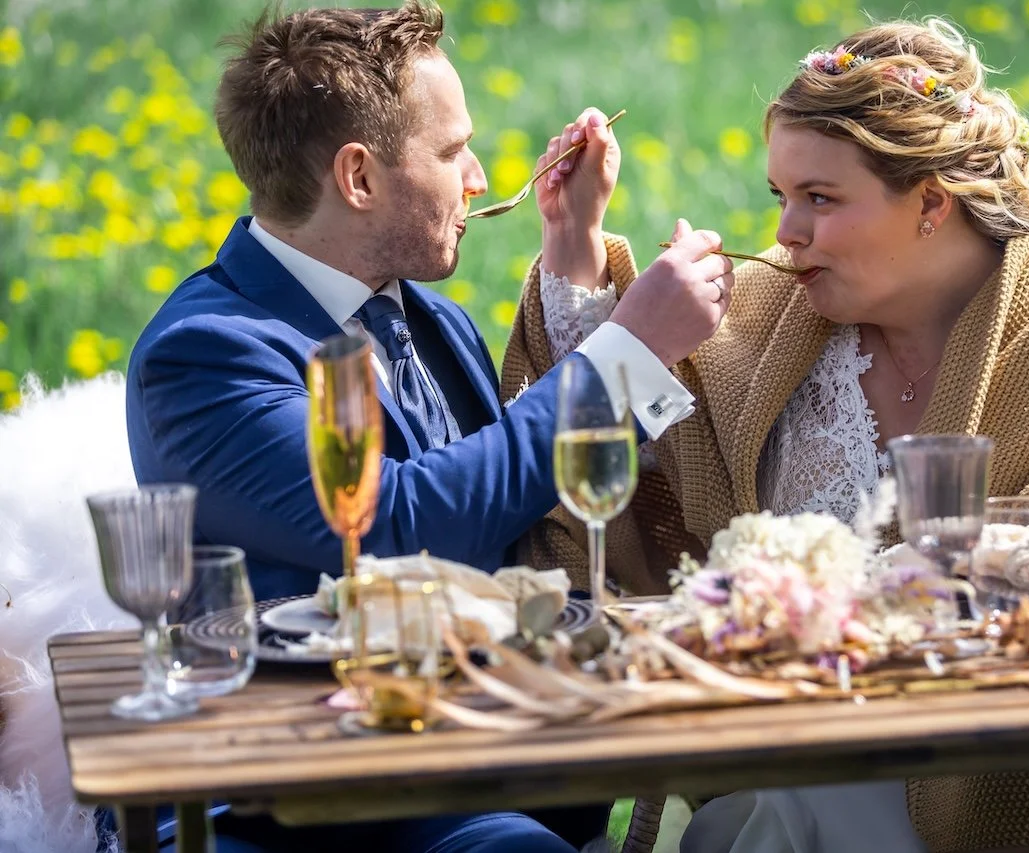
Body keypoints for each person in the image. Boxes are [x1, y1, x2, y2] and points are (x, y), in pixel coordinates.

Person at [501, 17, 1029, 853]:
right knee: (780, 810)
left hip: (1021, 757)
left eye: (821, 198)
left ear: (932, 205)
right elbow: (624, 485)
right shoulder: (769, 319)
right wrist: (573, 241)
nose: (788, 232)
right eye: (782, 196)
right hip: (805, 754)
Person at [122, 2, 734, 851]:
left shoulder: (434, 322)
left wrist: (576, 252)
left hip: (465, 761)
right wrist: (630, 350)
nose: (480, 177)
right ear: (359, 178)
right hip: (295, 798)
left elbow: (527, 506)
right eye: (452, 152)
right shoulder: (206, 354)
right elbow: (399, 522)